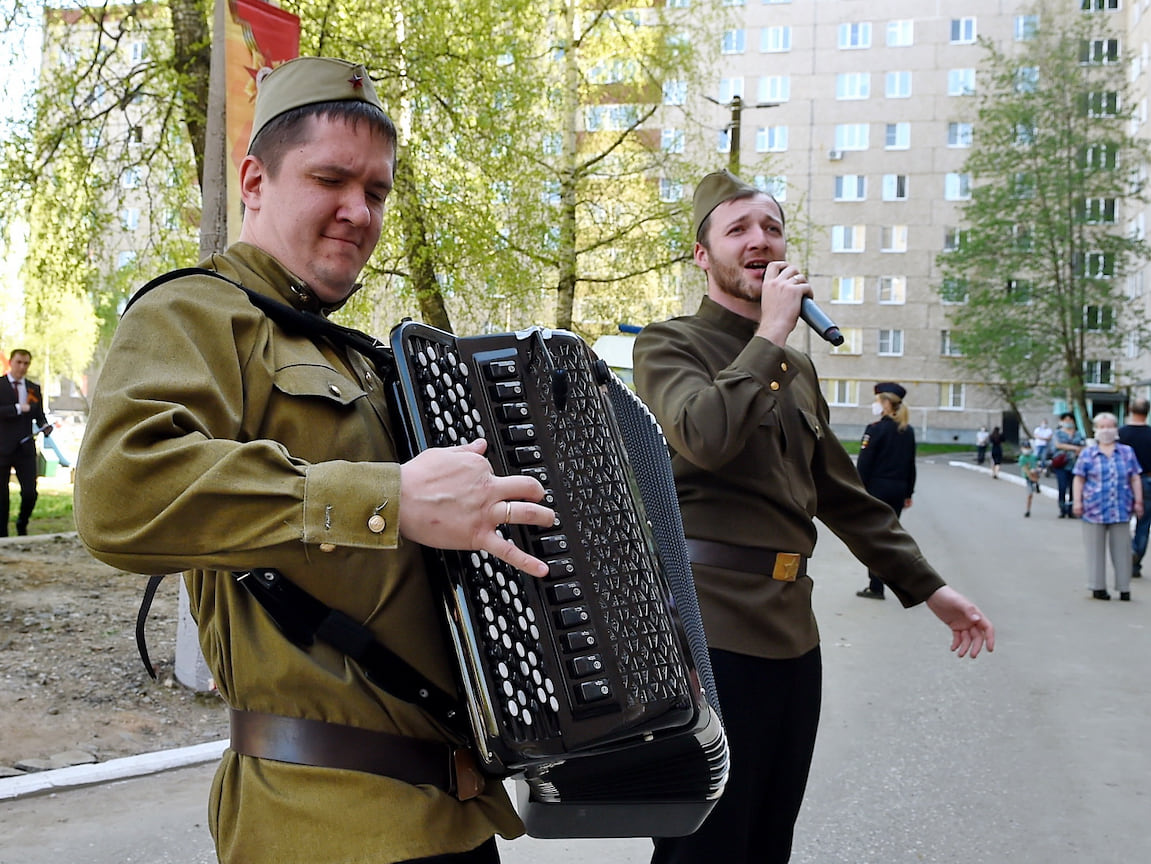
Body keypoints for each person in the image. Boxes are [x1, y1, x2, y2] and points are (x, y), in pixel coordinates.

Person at [73, 57, 556, 864]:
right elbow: (119, 495)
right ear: (255, 181)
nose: (357, 212)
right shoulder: (197, 312)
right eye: (331, 178)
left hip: (453, 808)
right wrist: (385, 498)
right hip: (324, 822)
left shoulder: (359, 357)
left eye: (376, 191)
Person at [632, 169, 995, 864]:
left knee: (768, 840)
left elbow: (844, 497)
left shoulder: (795, 373)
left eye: (770, 227)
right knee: (704, 847)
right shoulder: (668, 345)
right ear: (702, 257)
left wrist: (930, 588)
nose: (759, 241)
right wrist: (770, 332)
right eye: (736, 229)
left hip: (791, 635)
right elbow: (704, 436)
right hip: (707, 634)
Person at [854, 382, 917, 600]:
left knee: (874, 541)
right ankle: (901, 583)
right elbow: (911, 465)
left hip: (876, 491)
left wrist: (857, 492)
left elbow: (864, 465)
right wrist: (908, 493)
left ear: (887, 403)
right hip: (897, 491)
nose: (875, 405)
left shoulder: (875, 430)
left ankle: (876, 586)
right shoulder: (907, 431)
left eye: (878, 400)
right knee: (891, 538)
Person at [1072, 412, 1143, 601]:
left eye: (1109, 426)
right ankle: (1098, 587)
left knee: (1122, 549)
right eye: (1101, 427)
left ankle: (1124, 587)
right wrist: (1077, 501)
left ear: (1116, 429)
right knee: (1095, 550)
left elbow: (1135, 477)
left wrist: (1138, 501)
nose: (1106, 431)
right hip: (1093, 508)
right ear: (1095, 430)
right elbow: (1079, 479)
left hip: (1121, 507)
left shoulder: (1127, 452)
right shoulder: (1088, 454)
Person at [0, 348, 51, 536]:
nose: (22, 367)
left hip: (25, 448)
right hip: (2, 448)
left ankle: (22, 523)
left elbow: (39, 415)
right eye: (19, 362)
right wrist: (16, 408)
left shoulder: (33, 388)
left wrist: (45, 426)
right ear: (11, 362)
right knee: (1, 496)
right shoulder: (1, 385)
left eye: (26, 363)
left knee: (30, 493)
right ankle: (2, 535)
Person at [1119, 399, 1151, 576]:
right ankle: (1136, 561)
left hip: (1123, 481)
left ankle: (1130, 549)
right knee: (1144, 523)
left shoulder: (1120, 434)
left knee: (1122, 521)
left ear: (1130, 409)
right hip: (1147, 480)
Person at [1051, 412, 1085, 519]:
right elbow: (1058, 445)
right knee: (1062, 486)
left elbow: (1083, 445)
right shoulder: (1058, 433)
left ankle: (1071, 510)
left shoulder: (1078, 434)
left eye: (1070, 420)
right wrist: (1075, 448)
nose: (1068, 422)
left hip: (1075, 464)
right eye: (1066, 420)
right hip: (1061, 463)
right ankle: (1062, 509)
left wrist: (1080, 449)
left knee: (1073, 488)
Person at [1018, 441, 1040, 518]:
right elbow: (1026, 470)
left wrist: (1037, 475)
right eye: (1025, 448)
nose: (1026, 449)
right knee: (1030, 494)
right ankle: (1028, 510)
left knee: (1034, 489)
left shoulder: (1033, 457)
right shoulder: (1022, 458)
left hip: (1035, 475)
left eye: (1028, 448)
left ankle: (1036, 486)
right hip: (1028, 477)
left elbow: (1036, 466)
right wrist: (1032, 478)